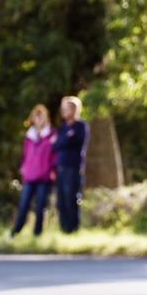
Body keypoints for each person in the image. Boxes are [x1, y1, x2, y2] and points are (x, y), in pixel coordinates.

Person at [11, 104, 56, 237]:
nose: (39, 119)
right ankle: (15, 232)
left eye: (41, 116)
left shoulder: (51, 135)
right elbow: (25, 155)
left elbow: (54, 156)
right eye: (36, 116)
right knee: (23, 205)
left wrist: (50, 169)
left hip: (44, 176)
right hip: (29, 176)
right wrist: (23, 169)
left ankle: (37, 233)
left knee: (40, 206)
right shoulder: (29, 136)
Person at [53, 96, 88, 234]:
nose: (64, 111)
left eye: (67, 108)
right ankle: (64, 229)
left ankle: (73, 229)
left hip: (73, 167)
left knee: (71, 197)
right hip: (60, 166)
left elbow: (74, 142)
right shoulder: (63, 128)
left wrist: (63, 141)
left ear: (74, 110)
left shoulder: (81, 126)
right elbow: (55, 146)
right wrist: (66, 139)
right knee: (60, 200)